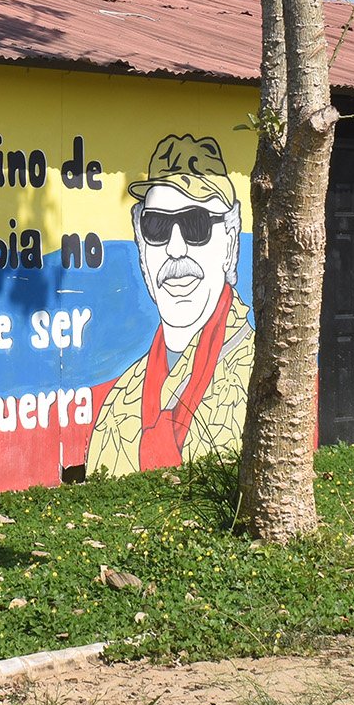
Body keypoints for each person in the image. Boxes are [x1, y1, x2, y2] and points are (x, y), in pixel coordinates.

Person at [86, 133, 253, 475]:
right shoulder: (120, 401)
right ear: (141, 248)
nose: (175, 248)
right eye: (157, 226)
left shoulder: (257, 374)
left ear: (230, 243)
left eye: (196, 225)